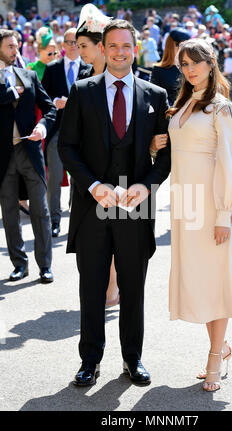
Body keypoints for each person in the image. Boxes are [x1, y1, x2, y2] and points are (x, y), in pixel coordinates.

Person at [58, 19, 171, 386]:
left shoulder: (155, 95)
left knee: (133, 288)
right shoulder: (82, 90)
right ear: (103, 50)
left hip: (135, 205)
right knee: (91, 287)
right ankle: (89, 360)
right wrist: (92, 186)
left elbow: (167, 157)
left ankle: (132, 359)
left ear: (134, 48)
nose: (120, 52)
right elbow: (67, 147)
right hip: (93, 204)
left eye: (127, 45)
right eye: (114, 46)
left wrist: (146, 186)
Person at [166, 38, 232, 392]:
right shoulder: (184, 103)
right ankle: (220, 346)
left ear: (211, 63)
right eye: (184, 64)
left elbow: (227, 162)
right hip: (185, 203)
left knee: (216, 281)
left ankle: (215, 356)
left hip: (212, 205)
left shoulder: (220, 107)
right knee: (199, 281)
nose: (189, 69)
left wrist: (224, 215)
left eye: (195, 62)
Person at [0, 29, 56, 283]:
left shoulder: (29, 75)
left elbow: (50, 108)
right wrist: (12, 93)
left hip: (30, 152)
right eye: (10, 46)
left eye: (17, 45)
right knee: (9, 212)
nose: (16, 49)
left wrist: (42, 126)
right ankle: (18, 264)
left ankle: (45, 265)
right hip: (3, 157)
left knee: (40, 210)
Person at [75, 3, 119, 308]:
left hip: (116, 167)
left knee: (116, 229)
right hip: (87, 170)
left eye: (84, 46)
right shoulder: (82, 77)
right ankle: (103, 285)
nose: (80, 52)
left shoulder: (121, 75)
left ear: (99, 47)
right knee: (94, 235)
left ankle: (114, 288)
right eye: (77, 47)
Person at [42, 28, 90, 239]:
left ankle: (75, 217)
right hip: (57, 131)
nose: (73, 46)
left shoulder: (89, 69)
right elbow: (43, 96)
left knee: (78, 176)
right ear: (63, 45)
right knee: (54, 177)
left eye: (76, 42)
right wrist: (55, 102)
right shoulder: (52, 68)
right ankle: (54, 220)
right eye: (69, 42)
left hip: (82, 131)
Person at [150, 27, 190, 106]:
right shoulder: (158, 70)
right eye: (182, 45)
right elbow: (154, 98)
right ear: (172, 45)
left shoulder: (191, 68)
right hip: (168, 114)